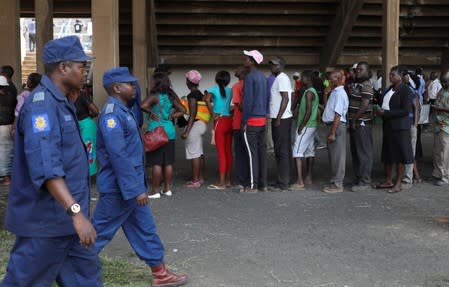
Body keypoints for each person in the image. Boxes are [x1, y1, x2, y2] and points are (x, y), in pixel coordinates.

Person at [1, 35, 103, 286]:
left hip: (68, 224)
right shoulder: (42, 106)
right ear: (63, 68)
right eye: (81, 66)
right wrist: (77, 214)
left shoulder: (62, 102)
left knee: (86, 279)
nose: (85, 72)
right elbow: (47, 168)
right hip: (46, 223)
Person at [92, 67, 188, 287]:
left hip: (132, 188)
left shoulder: (123, 109)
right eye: (129, 84)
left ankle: (160, 273)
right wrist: (135, 189)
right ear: (117, 88)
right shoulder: (111, 115)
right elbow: (119, 156)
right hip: (120, 189)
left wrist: (137, 188)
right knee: (98, 233)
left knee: (145, 229)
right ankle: (71, 271)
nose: (134, 87)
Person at [141, 71, 185, 198]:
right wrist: (172, 115)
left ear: (156, 82)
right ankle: (167, 189)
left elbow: (142, 105)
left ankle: (155, 191)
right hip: (169, 131)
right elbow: (183, 110)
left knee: (156, 163)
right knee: (168, 163)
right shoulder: (170, 96)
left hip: (156, 132)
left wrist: (151, 112)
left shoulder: (155, 96)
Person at [374, 65, 414, 194]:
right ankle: (388, 180)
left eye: (393, 75)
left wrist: (385, 113)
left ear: (401, 76)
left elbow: (405, 111)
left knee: (400, 156)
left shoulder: (406, 90)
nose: (390, 77)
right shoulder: (389, 89)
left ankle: (398, 184)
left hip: (400, 128)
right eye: (390, 74)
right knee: (388, 154)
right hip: (389, 127)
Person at [241, 50, 268, 193]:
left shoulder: (250, 77)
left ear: (251, 62)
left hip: (252, 120)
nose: (244, 61)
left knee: (252, 154)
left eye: (246, 59)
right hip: (262, 119)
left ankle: (252, 186)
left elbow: (248, 102)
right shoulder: (263, 77)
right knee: (261, 154)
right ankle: (262, 184)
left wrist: (244, 121)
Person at [348, 61, 374, 192]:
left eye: (361, 70)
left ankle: (365, 182)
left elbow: (364, 106)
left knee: (364, 154)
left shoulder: (367, 86)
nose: (358, 71)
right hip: (356, 123)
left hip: (362, 124)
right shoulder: (357, 85)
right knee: (356, 153)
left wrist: (354, 119)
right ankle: (358, 178)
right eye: (357, 70)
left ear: (368, 72)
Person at [268, 57, 293, 191]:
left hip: (281, 119)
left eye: (274, 65)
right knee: (283, 150)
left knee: (281, 151)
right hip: (283, 118)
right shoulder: (281, 78)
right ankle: (284, 180)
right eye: (271, 65)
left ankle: (283, 183)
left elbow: (286, 98)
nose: (271, 67)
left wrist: (277, 118)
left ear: (281, 66)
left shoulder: (282, 78)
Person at [322, 70, 349, 193]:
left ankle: (338, 184)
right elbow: (328, 107)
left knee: (338, 156)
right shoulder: (334, 92)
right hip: (332, 125)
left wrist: (333, 132)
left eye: (331, 79)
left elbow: (338, 115)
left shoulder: (339, 94)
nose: (329, 81)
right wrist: (325, 94)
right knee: (333, 156)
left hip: (336, 127)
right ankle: (334, 181)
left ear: (337, 79)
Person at [205, 71, 233, 189]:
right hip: (229, 121)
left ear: (217, 79)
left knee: (221, 153)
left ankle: (221, 183)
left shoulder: (213, 89)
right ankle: (227, 180)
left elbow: (206, 99)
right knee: (228, 152)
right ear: (228, 80)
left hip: (219, 121)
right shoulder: (231, 91)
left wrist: (212, 114)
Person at [291, 70, 319, 190]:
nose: (300, 80)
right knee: (309, 151)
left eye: (302, 78)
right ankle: (308, 177)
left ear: (308, 79)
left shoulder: (308, 93)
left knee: (297, 152)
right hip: (312, 125)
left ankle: (299, 181)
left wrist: (301, 126)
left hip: (306, 126)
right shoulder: (313, 91)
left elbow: (308, 111)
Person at [181, 70, 208, 188]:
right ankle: (200, 177)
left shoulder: (192, 95)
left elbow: (192, 114)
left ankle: (195, 180)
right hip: (202, 124)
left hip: (195, 126)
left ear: (188, 81)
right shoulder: (200, 93)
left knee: (194, 154)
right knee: (199, 153)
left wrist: (187, 131)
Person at [74, 84, 100, 176]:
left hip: (86, 125)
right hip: (74, 125)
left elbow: (96, 111)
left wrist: (87, 118)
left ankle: (90, 175)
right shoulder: (64, 97)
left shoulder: (82, 96)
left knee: (88, 149)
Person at [231, 66, 249, 190]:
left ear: (242, 73)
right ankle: (249, 178)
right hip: (251, 122)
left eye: (237, 70)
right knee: (249, 152)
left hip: (238, 123)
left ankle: (241, 180)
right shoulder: (250, 84)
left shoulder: (236, 86)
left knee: (239, 153)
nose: (235, 71)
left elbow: (239, 105)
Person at [431, 69, 449, 186]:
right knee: (437, 151)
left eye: (446, 81)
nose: (444, 84)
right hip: (438, 125)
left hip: (446, 126)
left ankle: (445, 177)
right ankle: (437, 174)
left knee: (444, 153)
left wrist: (438, 109)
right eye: (442, 81)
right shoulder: (442, 90)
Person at [11, 72, 42, 138]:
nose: (27, 81)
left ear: (31, 82)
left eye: (28, 80)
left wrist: (14, 127)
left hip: (26, 124)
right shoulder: (41, 94)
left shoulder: (24, 95)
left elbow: (18, 112)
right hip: (39, 124)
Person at [0, 75, 16, 186]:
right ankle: (7, 177)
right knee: (6, 152)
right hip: (8, 126)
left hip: (4, 126)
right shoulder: (11, 97)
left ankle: (5, 177)